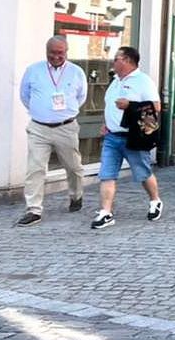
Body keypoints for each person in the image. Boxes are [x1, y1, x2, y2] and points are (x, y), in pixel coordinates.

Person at [17, 36, 88, 225]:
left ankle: (76, 195)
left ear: (66, 52)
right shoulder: (33, 70)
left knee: (73, 167)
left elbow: (81, 97)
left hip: (66, 127)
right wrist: (40, 110)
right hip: (39, 127)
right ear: (46, 51)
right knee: (35, 168)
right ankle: (33, 209)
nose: (56, 56)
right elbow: (25, 96)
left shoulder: (76, 72)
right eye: (52, 52)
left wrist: (65, 112)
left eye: (60, 52)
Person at [92, 46, 163, 229]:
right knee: (107, 174)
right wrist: (105, 122)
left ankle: (155, 200)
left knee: (143, 173)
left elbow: (155, 107)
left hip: (133, 136)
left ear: (127, 60)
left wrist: (130, 105)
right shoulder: (115, 80)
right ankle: (105, 212)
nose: (113, 62)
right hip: (112, 136)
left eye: (116, 59)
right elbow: (109, 105)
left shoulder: (143, 81)